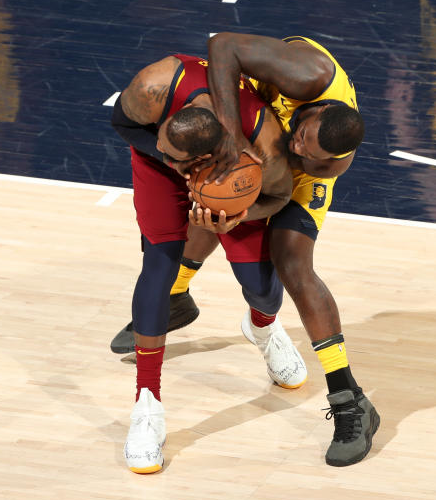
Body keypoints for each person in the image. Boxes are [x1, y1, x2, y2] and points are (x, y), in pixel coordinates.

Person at [114, 33, 376, 467]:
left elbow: (278, 183)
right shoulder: (308, 75)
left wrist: (241, 198)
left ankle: (348, 401)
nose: (298, 146)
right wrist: (232, 145)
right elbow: (222, 45)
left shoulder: (319, 157)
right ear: (317, 110)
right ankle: (172, 305)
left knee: (291, 263)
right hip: (238, 130)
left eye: (306, 150)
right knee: (209, 205)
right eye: (301, 137)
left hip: (278, 168)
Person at [110, 52, 308, 474]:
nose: (161, 142)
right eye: (161, 136)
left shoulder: (263, 142)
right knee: (158, 266)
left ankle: (263, 326)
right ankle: (147, 407)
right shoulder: (155, 88)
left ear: (202, 157)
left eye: (173, 150)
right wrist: (164, 158)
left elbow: (279, 196)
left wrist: (237, 215)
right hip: (156, 168)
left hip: (235, 176)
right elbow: (124, 125)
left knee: (259, 283)